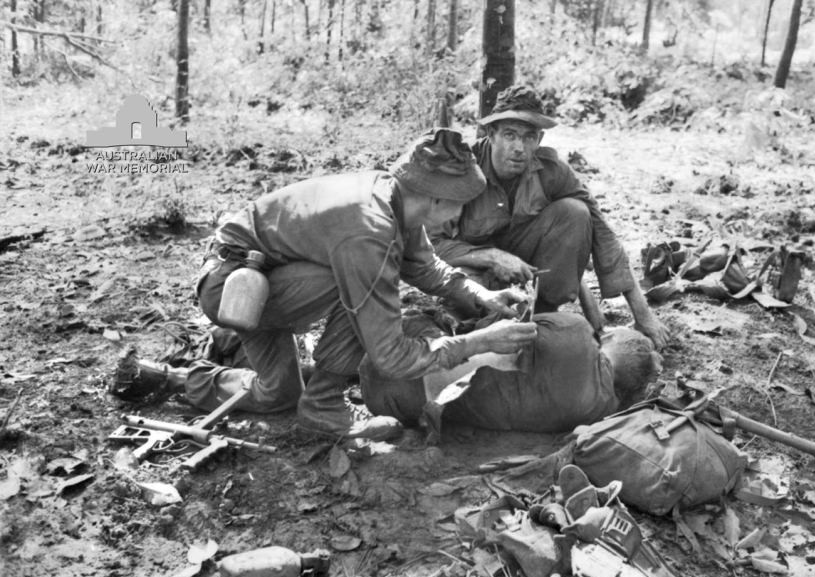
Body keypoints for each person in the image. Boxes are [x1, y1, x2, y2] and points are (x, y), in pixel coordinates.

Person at [110, 128, 538, 442]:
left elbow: (427, 268)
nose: (456, 219)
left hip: (261, 281)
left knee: (277, 392)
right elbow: (391, 357)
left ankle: (170, 378)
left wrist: (485, 297)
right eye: (459, 206)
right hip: (235, 288)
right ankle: (326, 404)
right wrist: (482, 342)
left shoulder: (396, 198)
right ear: (437, 198)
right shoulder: (368, 231)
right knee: (363, 287)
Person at [430, 85, 669, 349]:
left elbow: (603, 233)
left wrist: (642, 314)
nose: (519, 147)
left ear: (539, 139)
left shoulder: (551, 170)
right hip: (474, 272)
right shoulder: (463, 170)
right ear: (491, 134)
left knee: (576, 211)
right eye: (510, 135)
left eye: (528, 137)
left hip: (529, 271)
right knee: (469, 311)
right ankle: (487, 328)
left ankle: (543, 312)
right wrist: (492, 257)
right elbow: (432, 247)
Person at [359, 311, 662, 433]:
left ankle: (333, 370)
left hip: (394, 363)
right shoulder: (598, 412)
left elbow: (506, 326)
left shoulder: (576, 330)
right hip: (402, 407)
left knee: (429, 320)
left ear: (608, 340)